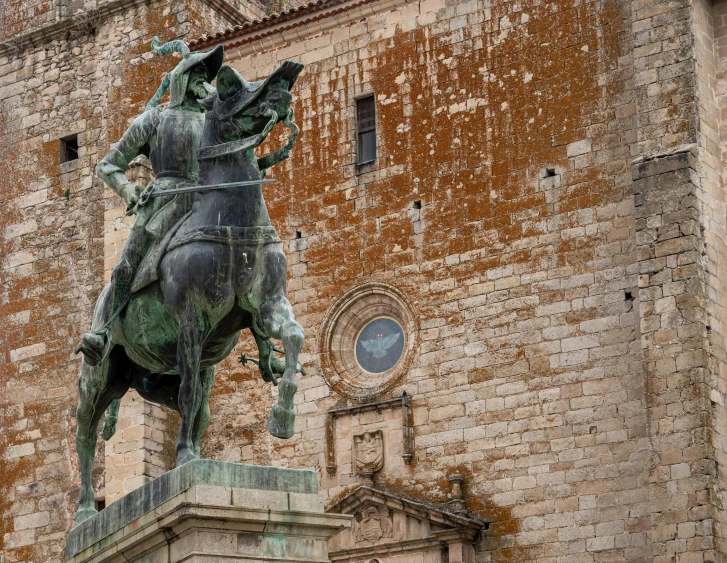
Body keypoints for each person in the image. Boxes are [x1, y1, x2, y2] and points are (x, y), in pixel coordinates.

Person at [76, 38, 224, 366]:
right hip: (162, 201)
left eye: (206, 75)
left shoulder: (212, 122)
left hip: (204, 201)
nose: (204, 80)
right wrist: (129, 192)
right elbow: (108, 165)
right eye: (197, 73)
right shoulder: (154, 120)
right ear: (181, 79)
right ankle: (101, 333)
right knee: (126, 264)